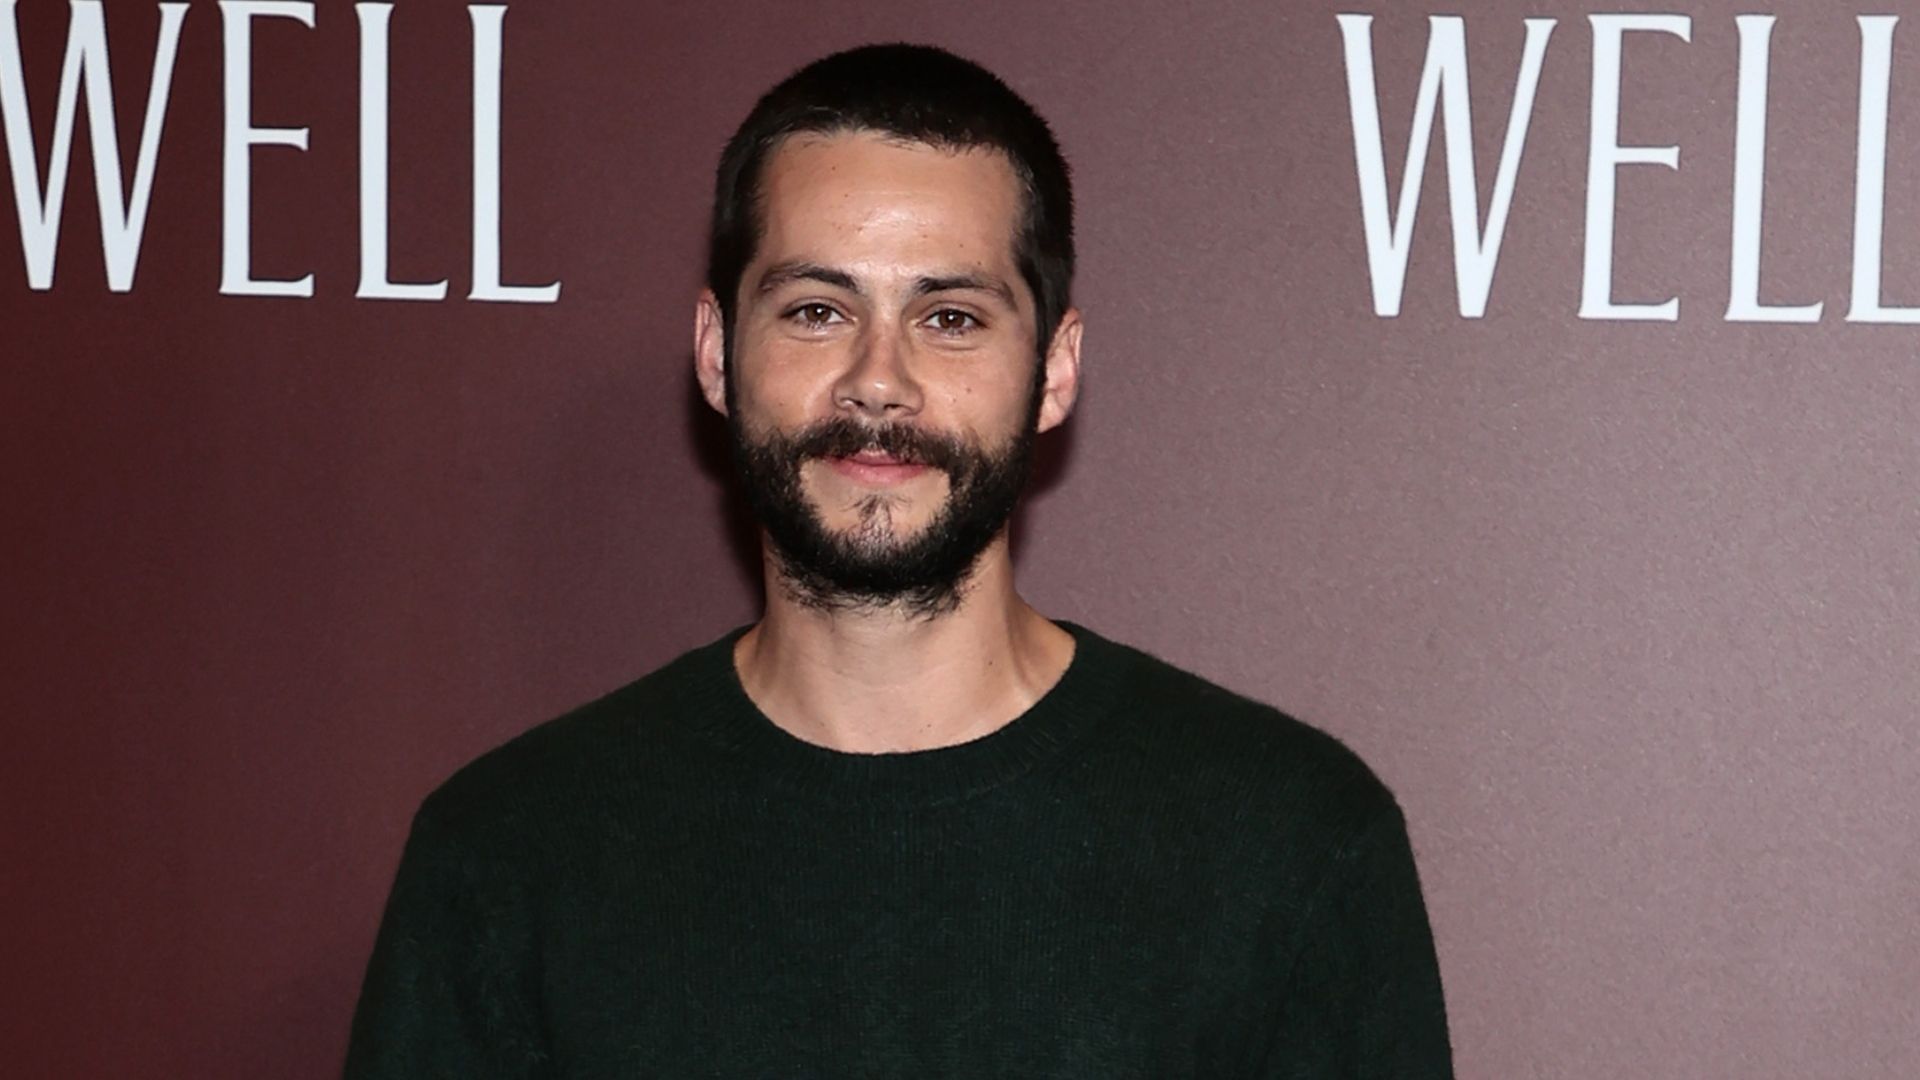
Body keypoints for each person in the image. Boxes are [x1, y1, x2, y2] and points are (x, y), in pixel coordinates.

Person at [344, 42, 1453, 1078]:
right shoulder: (510, 858)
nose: (879, 382)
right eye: (819, 310)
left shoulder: (1292, 847)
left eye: (953, 318)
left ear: (1056, 369)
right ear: (717, 353)